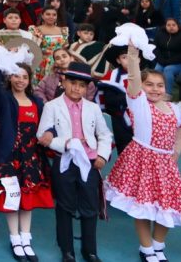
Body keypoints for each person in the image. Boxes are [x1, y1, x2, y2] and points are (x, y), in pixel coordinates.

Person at [104, 45, 181, 262]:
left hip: (165, 164)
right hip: (142, 159)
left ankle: (158, 245)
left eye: (160, 85)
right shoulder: (139, 103)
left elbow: (179, 129)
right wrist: (132, 57)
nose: (155, 89)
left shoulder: (176, 108)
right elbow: (134, 80)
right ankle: (146, 248)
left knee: (168, 207)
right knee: (143, 209)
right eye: (149, 85)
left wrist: (175, 150)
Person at [36, 61, 112, 262]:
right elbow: (42, 135)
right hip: (65, 161)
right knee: (65, 206)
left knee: (90, 207)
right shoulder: (52, 106)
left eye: (82, 85)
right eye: (73, 83)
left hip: (89, 163)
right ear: (64, 81)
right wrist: (68, 143)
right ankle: (67, 250)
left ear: (87, 88)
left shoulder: (93, 108)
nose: (76, 88)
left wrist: (102, 155)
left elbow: (104, 134)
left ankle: (90, 250)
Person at [0, 61, 53, 261]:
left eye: (24, 77)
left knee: (28, 199)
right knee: (12, 197)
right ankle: (14, 238)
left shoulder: (37, 102)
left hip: (31, 158)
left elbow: (49, 125)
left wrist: (50, 133)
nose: (20, 80)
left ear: (29, 79)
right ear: (10, 77)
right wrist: (0, 65)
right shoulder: (4, 100)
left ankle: (26, 238)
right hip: (9, 158)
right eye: (16, 76)